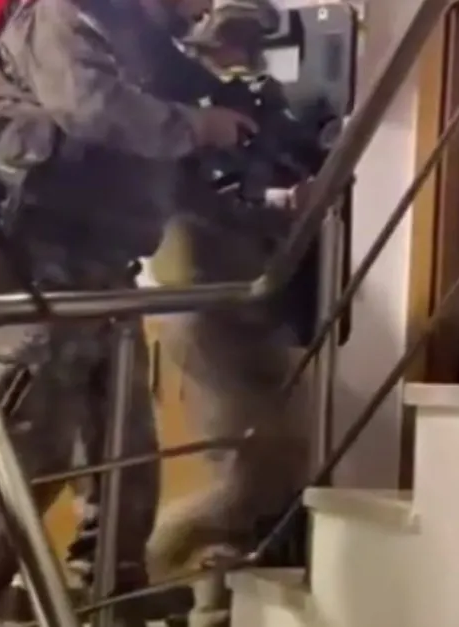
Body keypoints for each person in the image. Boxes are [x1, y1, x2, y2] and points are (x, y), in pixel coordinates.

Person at [0, 0, 257, 623]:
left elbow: (157, 153)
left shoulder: (146, 38)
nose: (206, 7)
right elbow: (90, 107)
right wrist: (200, 125)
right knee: (29, 450)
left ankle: (112, 598)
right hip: (42, 268)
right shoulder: (67, 11)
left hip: (106, 272)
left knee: (127, 456)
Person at [145, 1, 313, 624]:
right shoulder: (179, 111)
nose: (242, 56)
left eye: (250, 41)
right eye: (231, 39)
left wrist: (288, 191)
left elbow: (267, 181)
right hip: (206, 305)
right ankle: (145, 567)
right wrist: (269, 196)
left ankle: (211, 608)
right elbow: (200, 196)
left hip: (253, 303)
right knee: (250, 479)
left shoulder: (254, 109)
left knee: (272, 472)